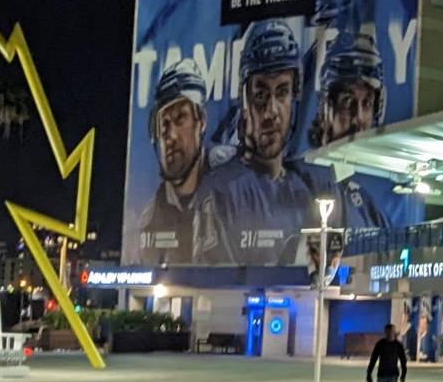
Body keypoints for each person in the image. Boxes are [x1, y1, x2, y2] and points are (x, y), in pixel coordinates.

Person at [192, 22, 316, 266]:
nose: (271, 111)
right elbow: (216, 278)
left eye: (282, 92)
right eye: (261, 94)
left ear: (294, 98)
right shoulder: (219, 189)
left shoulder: (303, 191)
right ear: (244, 100)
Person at [132, 61, 212, 264]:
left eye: (180, 119)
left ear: (200, 121)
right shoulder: (148, 222)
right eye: (164, 124)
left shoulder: (232, 186)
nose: (171, 136)